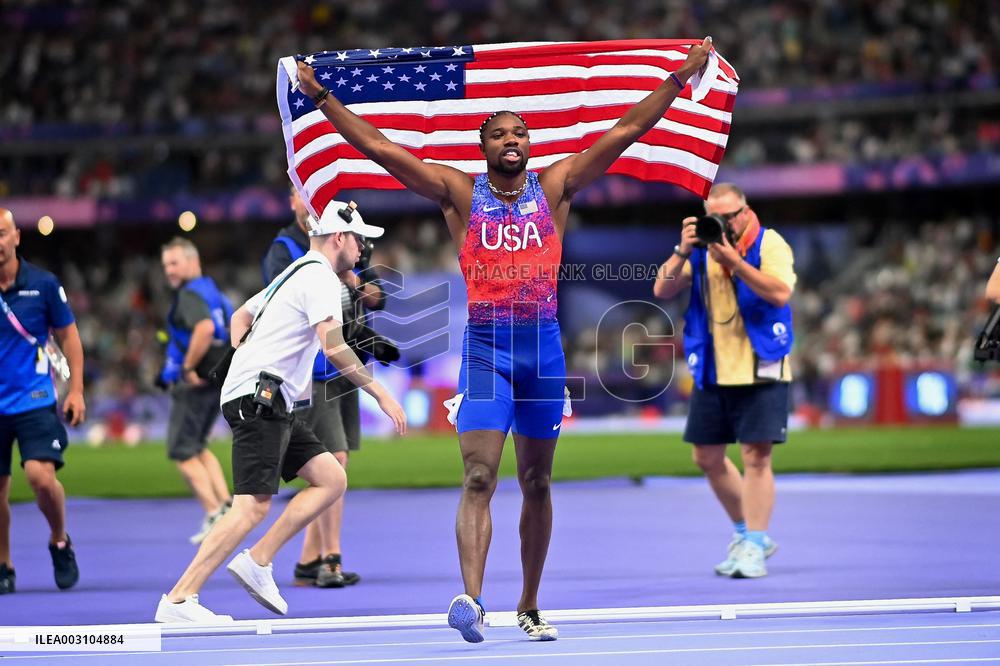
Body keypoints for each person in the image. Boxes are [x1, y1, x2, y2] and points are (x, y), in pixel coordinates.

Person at [295, 36, 712, 642]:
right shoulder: (459, 193)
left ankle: (530, 602)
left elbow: (623, 134)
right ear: (482, 145)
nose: (511, 140)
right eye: (499, 133)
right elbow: (384, 149)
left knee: (537, 482)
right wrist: (324, 97)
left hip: (542, 350)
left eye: (520, 132)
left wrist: (680, 78)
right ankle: (470, 598)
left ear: (529, 144)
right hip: (487, 349)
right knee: (479, 478)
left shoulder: (557, 186)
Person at [155, 202, 406, 622]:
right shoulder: (319, 277)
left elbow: (240, 317)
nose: (364, 248)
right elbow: (333, 345)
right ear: (338, 238)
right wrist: (381, 394)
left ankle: (259, 560)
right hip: (261, 396)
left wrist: (247, 356)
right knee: (251, 506)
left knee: (331, 479)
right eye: (359, 239)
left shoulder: (296, 271)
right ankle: (179, 598)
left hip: (266, 395)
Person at [653, 183, 796, 579]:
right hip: (713, 365)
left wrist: (734, 261)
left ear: (746, 210)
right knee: (706, 457)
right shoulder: (699, 248)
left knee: (756, 456)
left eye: (730, 215)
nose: (724, 223)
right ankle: (746, 532)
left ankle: (754, 541)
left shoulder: (771, 244)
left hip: (759, 361)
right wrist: (683, 248)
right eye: (716, 216)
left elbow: (780, 294)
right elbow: (662, 288)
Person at [262, 188, 387, 589]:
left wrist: (352, 279)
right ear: (293, 201)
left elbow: (377, 294)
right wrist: (347, 278)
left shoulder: (348, 241)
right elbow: (291, 298)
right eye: (302, 194)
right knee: (334, 464)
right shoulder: (285, 249)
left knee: (337, 463)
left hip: (344, 369)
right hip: (316, 371)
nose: (309, 202)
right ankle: (330, 558)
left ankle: (306, 560)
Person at [0, 207, 85, 594]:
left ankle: (59, 540)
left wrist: (77, 390)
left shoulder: (44, 284)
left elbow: (69, 338)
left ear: (16, 236)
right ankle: (4, 564)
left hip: (34, 398)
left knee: (39, 476)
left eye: (2, 234)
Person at [160, 237, 234, 544]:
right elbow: (231, 324)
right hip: (217, 377)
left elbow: (203, 328)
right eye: (166, 265)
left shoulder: (190, 295)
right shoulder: (212, 290)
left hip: (197, 382)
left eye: (175, 263)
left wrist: (187, 367)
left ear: (193, 261)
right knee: (199, 446)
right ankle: (227, 506)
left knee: (182, 451)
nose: (169, 271)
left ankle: (214, 512)